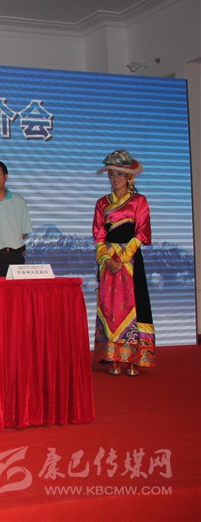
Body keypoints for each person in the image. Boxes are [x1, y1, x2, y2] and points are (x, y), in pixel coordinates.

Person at [93, 150, 154, 376]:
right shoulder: (102, 203)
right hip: (108, 261)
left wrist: (123, 257)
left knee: (134, 305)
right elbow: (98, 235)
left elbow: (142, 233)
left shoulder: (139, 201)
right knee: (109, 307)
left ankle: (133, 358)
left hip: (131, 260)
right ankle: (113, 357)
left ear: (129, 176)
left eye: (120, 174)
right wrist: (106, 259)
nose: (115, 178)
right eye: (111, 174)